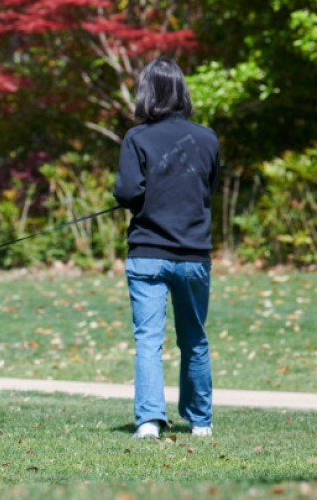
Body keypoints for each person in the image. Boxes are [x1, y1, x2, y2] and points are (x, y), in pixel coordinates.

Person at [113, 56, 221, 439]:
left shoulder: (137, 138)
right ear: (181, 91)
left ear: (147, 93)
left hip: (147, 254)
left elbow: (127, 192)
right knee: (194, 338)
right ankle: (201, 421)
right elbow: (207, 188)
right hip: (193, 254)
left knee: (148, 340)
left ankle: (148, 421)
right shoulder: (207, 138)